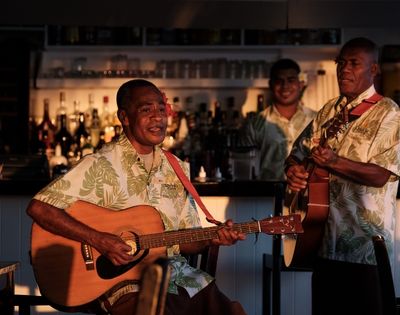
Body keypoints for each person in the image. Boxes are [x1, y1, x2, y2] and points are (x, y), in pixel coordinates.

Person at [26, 79, 247, 315]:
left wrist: (213, 238)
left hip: (177, 275)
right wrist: (99, 240)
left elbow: (185, 238)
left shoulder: (177, 168)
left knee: (230, 311)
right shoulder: (100, 164)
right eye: (146, 110)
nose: (157, 117)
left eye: (161, 109)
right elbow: (39, 208)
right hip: (121, 282)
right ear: (125, 117)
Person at [285, 37, 400, 315]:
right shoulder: (328, 110)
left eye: (354, 63)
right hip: (322, 242)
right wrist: (294, 171)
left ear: (373, 70)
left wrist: (336, 161)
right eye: (341, 63)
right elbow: (296, 153)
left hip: (364, 248)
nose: (343, 69)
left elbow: (382, 175)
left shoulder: (389, 113)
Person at [238, 58, 316, 180]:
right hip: (267, 195)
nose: (285, 86)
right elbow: (244, 165)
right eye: (279, 81)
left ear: (300, 85)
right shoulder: (255, 123)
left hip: (307, 195)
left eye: (291, 80)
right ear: (271, 85)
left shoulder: (316, 120)